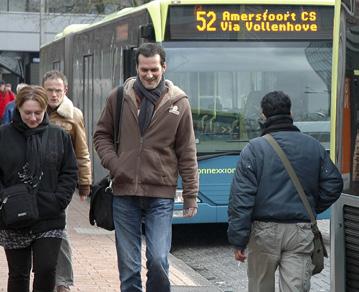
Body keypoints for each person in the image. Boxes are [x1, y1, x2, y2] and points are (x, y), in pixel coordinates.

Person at [93, 42, 199, 292]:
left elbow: (187, 151)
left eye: (154, 69)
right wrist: (115, 164)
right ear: (137, 68)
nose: (149, 75)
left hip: (160, 194)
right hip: (124, 193)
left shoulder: (179, 103)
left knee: (159, 260)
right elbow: (101, 135)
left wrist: (191, 195)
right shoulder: (119, 97)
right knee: (129, 268)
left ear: (164, 67)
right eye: (144, 70)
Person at [227, 91, 343, 292]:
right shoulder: (313, 146)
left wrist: (238, 240)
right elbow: (334, 183)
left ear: (263, 115)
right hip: (300, 230)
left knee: (260, 287)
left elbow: (241, 198)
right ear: (291, 112)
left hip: (263, 231)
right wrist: (312, 206)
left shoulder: (254, 149)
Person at [0, 85, 78, 292]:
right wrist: (4, 201)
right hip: (14, 217)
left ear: (45, 111)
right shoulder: (3, 136)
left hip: (49, 215)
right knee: (18, 273)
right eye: (28, 113)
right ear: (18, 109)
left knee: (46, 268)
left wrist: (59, 200)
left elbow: (69, 171)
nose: (33, 118)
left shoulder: (58, 136)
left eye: (38, 112)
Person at [42, 70, 92, 292]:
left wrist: (85, 183)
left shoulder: (74, 115)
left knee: (59, 230)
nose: (53, 95)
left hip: (60, 183)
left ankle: (62, 281)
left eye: (58, 90)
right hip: (33, 182)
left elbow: (82, 151)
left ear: (66, 91)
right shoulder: (33, 111)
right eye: (49, 90)